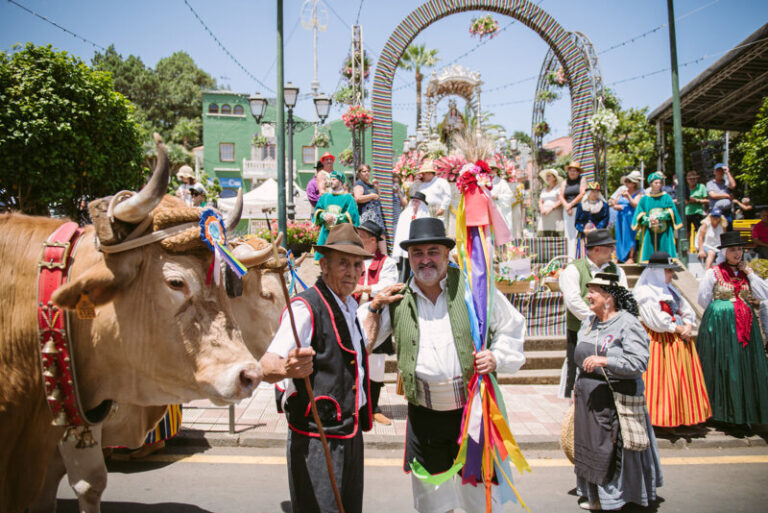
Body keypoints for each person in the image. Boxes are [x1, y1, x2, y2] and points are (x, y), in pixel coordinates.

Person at [362, 218, 526, 513]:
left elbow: (512, 325)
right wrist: (374, 306)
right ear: (409, 258)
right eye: (417, 253)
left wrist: (497, 356)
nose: (425, 259)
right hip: (425, 416)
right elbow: (362, 340)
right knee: (432, 500)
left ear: (447, 253)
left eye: (433, 251)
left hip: (471, 412)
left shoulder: (472, 289)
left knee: (480, 497)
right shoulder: (397, 297)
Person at [259, 224, 373, 513]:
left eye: (357, 264)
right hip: (316, 440)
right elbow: (266, 365)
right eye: (343, 263)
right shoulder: (305, 307)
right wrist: (287, 367)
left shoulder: (349, 306)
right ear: (323, 265)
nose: (352, 271)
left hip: (350, 435)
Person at [573, 272, 662, 511]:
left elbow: (638, 362)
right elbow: (581, 361)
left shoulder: (627, 323)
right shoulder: (588, 322)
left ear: (609, 297)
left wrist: (606, 360)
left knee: (611, 450)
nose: (587, 295)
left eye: (592, 291)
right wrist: (576, 389)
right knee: (591, 449)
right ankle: (594, 495)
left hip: (617, 401)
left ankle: (616, 498)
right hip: (589, 400)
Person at [696, 231, 768, 425]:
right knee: (723, 364)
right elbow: (703, 298)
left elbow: (763, 294)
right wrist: (720, 311)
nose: (737, 253)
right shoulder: (714, 272)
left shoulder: (747, 274)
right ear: (725, 252)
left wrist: (750, 273)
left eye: (740, 249)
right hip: (721, 325)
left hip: (746, 325)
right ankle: (722, 414)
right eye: (733, 250)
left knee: (743, 365)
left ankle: (745, 414)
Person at [633, 252, 711, 429]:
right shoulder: (645, 293)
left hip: (679, 338)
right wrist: (677, 328)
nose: (671, 275)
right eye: (668, 271)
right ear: (657, 272)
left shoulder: (670, 289)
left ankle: (679, 416)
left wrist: (689, 324)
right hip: (659, 340)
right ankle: (660, 418)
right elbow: (655, 320)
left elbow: (686, 308)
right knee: (661, 379)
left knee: (681, 378)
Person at [558, 229, 628, 399]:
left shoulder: (617, 270)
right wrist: (596, 319)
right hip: (582, 331)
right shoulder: (574, 269)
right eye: (609, 247)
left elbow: (625, 296)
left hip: (611, 331)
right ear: (596, 249)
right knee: (578, 370)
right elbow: (573, 300)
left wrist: (612, 320)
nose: (613, 250)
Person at [352, 221, 398, 425]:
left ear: (372, 240)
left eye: (361, 235)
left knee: (376, 365)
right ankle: (353, 406)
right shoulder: (353, 258)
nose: (358, 239)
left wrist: (365, 289)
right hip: (353, 318)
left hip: (378, 320)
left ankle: (373, 408)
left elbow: (389, 286)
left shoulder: (387, 262)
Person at [631, 172, 682, 263]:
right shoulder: (644, 199)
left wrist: (660, 216)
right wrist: (648, 220)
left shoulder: (666, 197)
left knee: (665, 249)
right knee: (649, 249)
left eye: (660, 183)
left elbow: (672, 211)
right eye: (656, 183)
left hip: (664, 230)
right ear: (650, 184)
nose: (658, 185)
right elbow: (640, 215)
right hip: (649, 230)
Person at [313, 170, 360, 261]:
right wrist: (324, 216)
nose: (331, 181)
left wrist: (336, 218)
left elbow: (352, 216)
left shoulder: (348, 198)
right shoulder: (325, 197)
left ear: (340, 182)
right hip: (326, 235)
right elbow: (318, 211)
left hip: (341, 236)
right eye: (330, 179)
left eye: (334, 179)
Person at [393, 191, 430, 282]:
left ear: (421, 204)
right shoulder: (405, 214)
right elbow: (401, 233)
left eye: (417, 201)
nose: (414, 203)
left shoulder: (425, 215)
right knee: (404, 269)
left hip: (419, 248)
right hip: (405, 248)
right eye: (413, 201)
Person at [609, 171, 643, 263]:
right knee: (620, 236)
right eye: (626, 181)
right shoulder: (621, 190)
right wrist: (616, 206)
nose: (626, 183)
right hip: (621, 217)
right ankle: (620, 257)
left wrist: (628, 196)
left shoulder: (639, 193)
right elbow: (613, 203)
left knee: (630, 236)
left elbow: (636, 205)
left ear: (634, 183)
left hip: (631, 217)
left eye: (629, 181)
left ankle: (630, 257)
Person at [353, 164, 386, 253]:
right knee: (368, 238)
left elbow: (378, 196)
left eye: (368, 170)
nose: (367, 173)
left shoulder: (371, 185)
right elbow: (358, 198)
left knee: (381, 236)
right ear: (359, 173)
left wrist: (377, 188)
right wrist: (371, 196)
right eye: (364, 171)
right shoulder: (359, 184)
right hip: (367, 217)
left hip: (377, 217)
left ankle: (385, 258)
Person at [559, 161, 588, 259]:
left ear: (578, 172)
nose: (572, 172)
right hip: (567, 210)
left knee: (577, 233)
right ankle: (569, 258)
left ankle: (579, 256)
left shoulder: (582, 180)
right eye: (571, 170)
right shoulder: (564, 182)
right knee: (568, 234)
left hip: (578, 209)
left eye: (575, 171)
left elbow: (582, 193)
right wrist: (567, 206)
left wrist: (571, 205)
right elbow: (561, 196)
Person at [574, 182, 609, 258]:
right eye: (593, 191)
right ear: (589, 192)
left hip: (598, 234)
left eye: (597, 192)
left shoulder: (603, 205)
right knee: (582, 254)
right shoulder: (581, 205)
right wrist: (583, 230)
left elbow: (605, 219)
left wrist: (596, 229)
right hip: (584, 235)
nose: (595, 194)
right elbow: (577, 221)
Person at [488, 158, 514, 230]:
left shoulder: (501, 182)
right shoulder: (483, 182)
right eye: (487, 169)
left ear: (496, 170)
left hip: (498, 211)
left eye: (492, 168)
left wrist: (497, 197)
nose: (490, 171)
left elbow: (509, 195)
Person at [538, 168, 563, 236]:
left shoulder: (558, 188)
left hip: (555, 215)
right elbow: (540, 201)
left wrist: (551, 208)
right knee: (544, 235)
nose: (547, 178)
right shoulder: (544, 189)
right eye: (547, 176)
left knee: (555, 235)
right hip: (544, 216)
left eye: (549, 176)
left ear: (554, 178)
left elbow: (560, 200)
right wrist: (542, 209)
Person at [683, 169, 708, 236]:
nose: (692, 180)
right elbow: (680, 201)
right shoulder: (684, 188)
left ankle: (699, 245)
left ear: (697, 179)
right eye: (690, 179)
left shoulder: (701, 187)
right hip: (686, 213)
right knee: (687, 233)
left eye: (694, 179)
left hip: (698, 213)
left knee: (699, 231)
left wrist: (697, 200)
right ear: (687, 180)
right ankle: (686, 246)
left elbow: (707, 201)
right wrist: (687, 201)